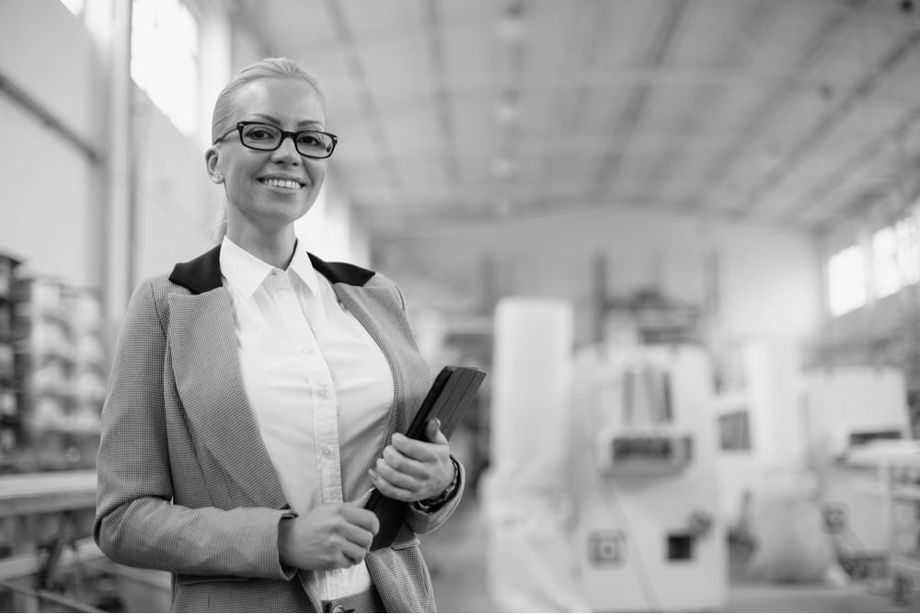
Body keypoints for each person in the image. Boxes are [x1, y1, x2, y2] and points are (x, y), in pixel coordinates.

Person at [94, 57, 464, 613]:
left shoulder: (376, 298)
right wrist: (281, 539)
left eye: (310, 139)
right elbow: (123, 520)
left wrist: (441, 481)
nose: (289, 152)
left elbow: (416, 490)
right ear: (216, 162)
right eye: (262, 133)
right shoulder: (167, 307)